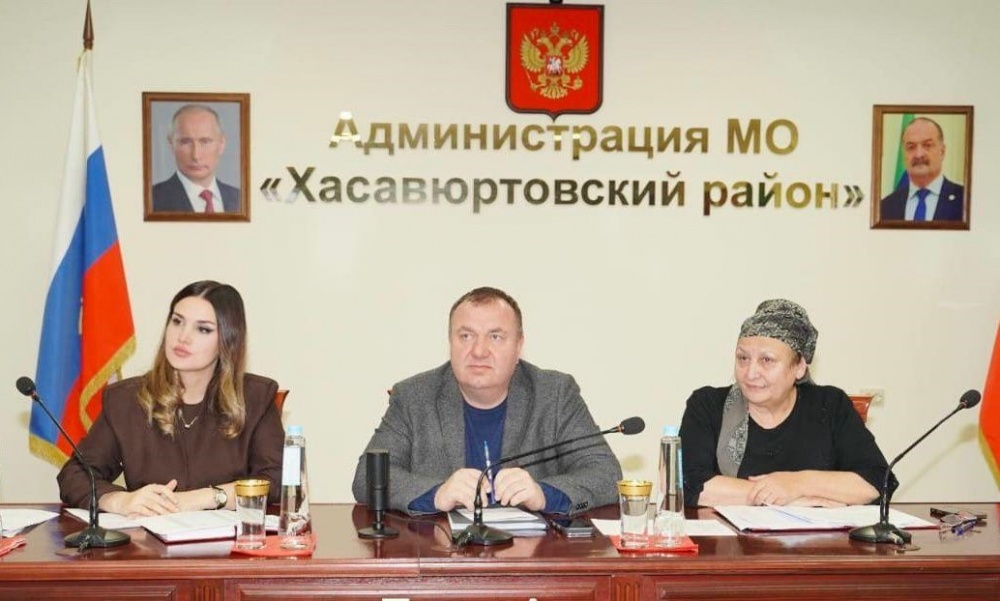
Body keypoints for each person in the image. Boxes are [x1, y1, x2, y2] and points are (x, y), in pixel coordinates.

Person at [352, 286, 622, 516]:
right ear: (450, 342)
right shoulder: (414, 397)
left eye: (495, 337)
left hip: (531, 555)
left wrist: (545, 494)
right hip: (441, 552)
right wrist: (436, 494)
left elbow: (607, 475)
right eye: (466, 336)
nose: (479, 351)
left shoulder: (555, 394)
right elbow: (367, 477)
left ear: (518, 346)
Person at [57, 281, 284, 516]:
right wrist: (120, 501)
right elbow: (75, 475)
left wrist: (204, 498)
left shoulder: (255, 398)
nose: (183, 337)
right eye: (177, 321)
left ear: (228, 340)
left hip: (229, 539)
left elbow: (277, 479)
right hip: (148, 536)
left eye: (203, 329)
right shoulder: (126, 400)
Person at [679, 299, 895, 507]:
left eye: (766, 360)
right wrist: (785, 500)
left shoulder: (830, 405)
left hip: (816, 534)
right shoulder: (707, 405)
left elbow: (875, 482)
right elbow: (688, 482)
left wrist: (796, 484)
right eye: (743, 358)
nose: (751, 373)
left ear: (799, 367)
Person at [151, 104, 241, 213]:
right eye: (185, 142)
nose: (196, 156)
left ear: (221, 144)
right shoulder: (151, 200)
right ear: (171, 145)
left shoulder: (240, 198)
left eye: (205, 142)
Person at [879, 116, 965, 222]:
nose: (919, 154)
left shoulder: (965, 199)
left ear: (942, 151)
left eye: (927, 145)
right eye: (911, 147)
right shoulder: (885, 206)